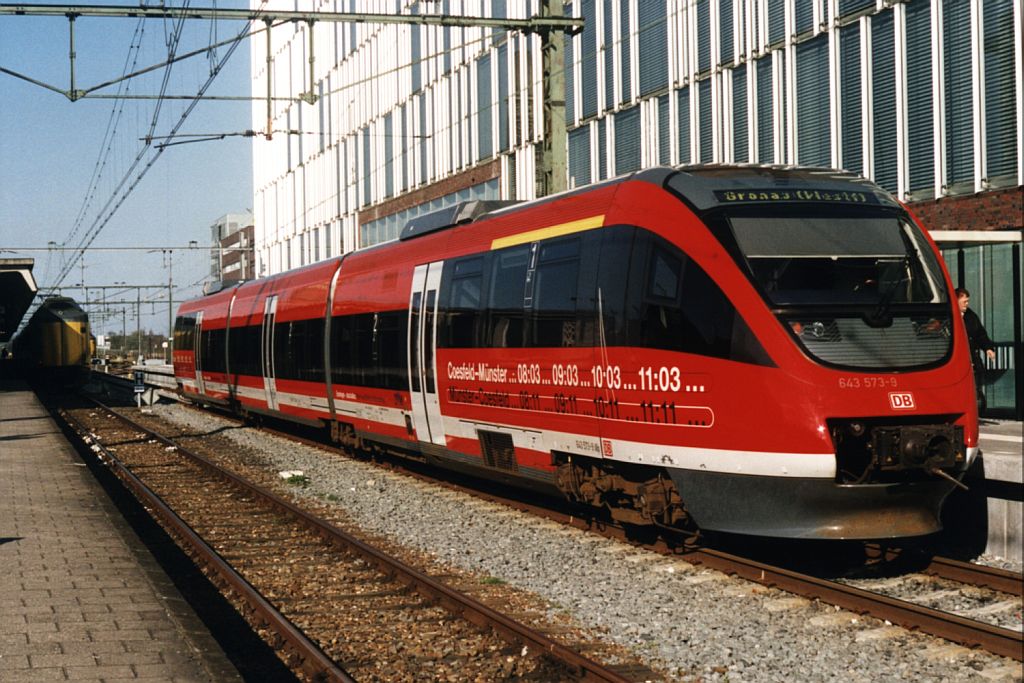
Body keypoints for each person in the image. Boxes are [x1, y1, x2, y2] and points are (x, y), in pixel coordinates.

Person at [956, 287, 996, 412]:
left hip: (971, 357)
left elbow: (980, 334)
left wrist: (988, 348)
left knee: (974, 384)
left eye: (968, 301)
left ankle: (973, 408)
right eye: (964, 302)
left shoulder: (970, 315)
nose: (967, 304)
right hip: (956, 358)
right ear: (956, 300)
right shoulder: (949, 316)